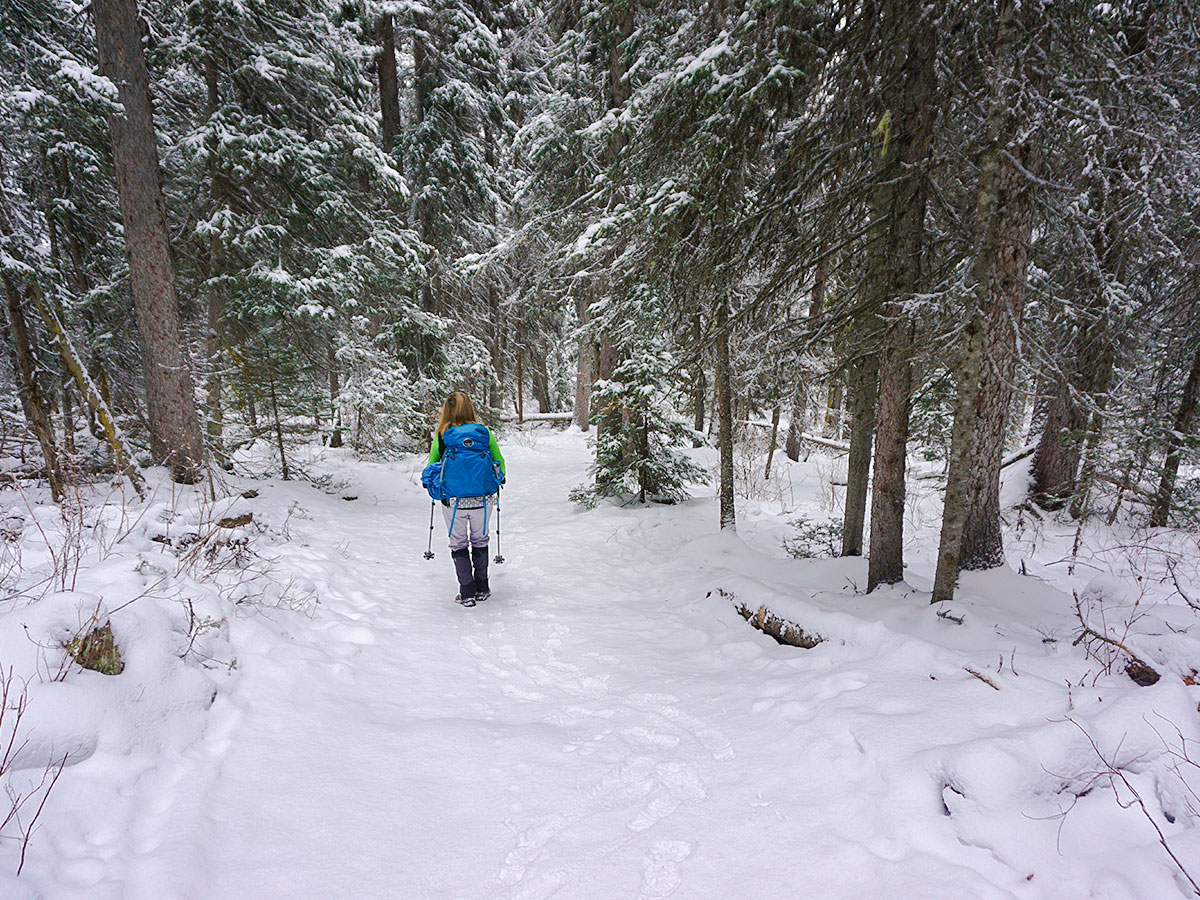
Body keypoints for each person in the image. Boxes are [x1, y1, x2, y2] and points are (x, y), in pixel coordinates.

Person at [427, 391, 506, 606]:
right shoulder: (484, 434)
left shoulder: (443, 436)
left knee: (458, 543)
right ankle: (483, 587)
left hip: (453, 501)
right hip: (483, 498)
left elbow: (431, 467)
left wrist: (435, 489)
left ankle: (467, 591)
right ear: (470, 408)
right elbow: (500, 463)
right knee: (481, 539)